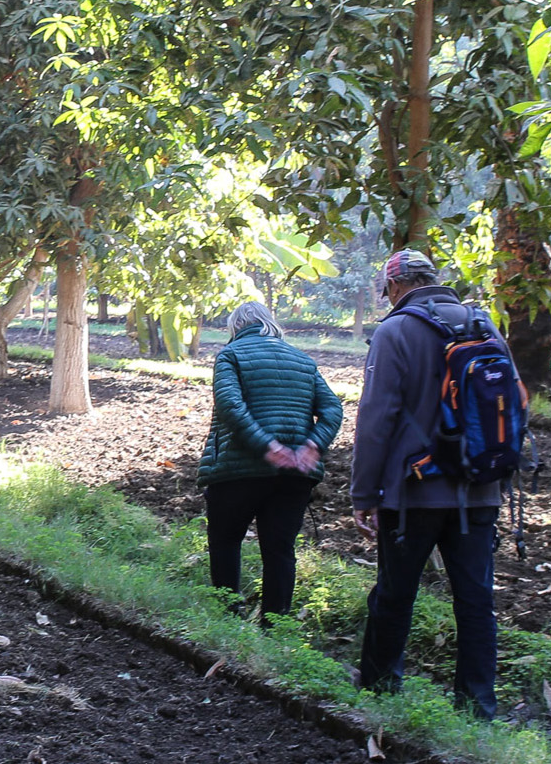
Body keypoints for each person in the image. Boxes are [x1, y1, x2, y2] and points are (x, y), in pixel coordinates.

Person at [352, 249, 504, 720]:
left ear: (396, 287)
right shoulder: (484, 325)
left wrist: (363, 494)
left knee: (395, 593)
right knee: (476, 600)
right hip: (479, 489)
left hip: (413, 491)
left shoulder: (395, 331)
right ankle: (477, 706)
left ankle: (379, 689)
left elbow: (376, 419)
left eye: (388, 291)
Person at [198, 301, 343, 623]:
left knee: (225, 541)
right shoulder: (304, 361)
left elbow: (230, 406)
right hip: (295, 474)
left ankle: (227, 620)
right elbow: (333, 409)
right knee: (280, 550)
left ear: (235, 327)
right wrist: (312, 446)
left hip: (239, 471)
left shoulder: (231, 355)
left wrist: (267, 446)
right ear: (271, 323)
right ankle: (275, 628)